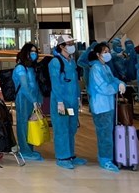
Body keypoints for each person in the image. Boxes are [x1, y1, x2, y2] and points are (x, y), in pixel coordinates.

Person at [87, 42, 126, 172]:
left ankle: (107, 157)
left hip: (108, 105)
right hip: (100, 106)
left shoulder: (106, 67)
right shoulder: (95, 69)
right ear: (98, 54)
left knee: (108, 133)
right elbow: (102, 87)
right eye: (105, 52)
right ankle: (105, 159)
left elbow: (113, 79)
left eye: (108, 51)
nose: (107, 54)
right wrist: (116, 87)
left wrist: (120, 83)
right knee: (104, 134)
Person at [49, 34, 86, 169]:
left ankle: (71, 155)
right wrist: (59, 101)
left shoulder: (71, 61)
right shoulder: (55, 62)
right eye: (69, 44)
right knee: (61, 128)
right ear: (61, 46)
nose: (72, 46)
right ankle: (62, 157)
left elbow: (74, 82)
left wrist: (77, 97)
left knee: (71, 128)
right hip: (61, 101)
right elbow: (56, 83)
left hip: (72, 100)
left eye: (72, 43)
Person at [12, 43, 44, 160]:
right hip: (24, 98)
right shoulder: (20, 68)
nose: (34, 54)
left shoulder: (32, 68)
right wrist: (33, 100)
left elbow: (36, 85)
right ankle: (24, 150)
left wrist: (38, 99)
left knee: (31, 124)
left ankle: (30, 149)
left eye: (35, 51)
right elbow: (24, 87)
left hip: (33, 98)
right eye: (31, 51)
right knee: (23, 124)